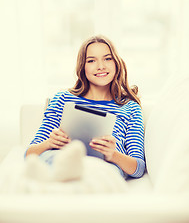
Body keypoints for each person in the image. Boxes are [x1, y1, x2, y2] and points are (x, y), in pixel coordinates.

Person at [25, 35, 145, 182]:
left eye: (107, 58)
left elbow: (138, 168)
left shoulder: (130, 107)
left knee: (103, 171)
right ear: (83, 66)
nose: (101, 66)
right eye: (91, 61)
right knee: (50, 157)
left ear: (116, 63)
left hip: (104, 166)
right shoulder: (62, 99)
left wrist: (112, 154)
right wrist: (49, 143)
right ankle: (68, 172)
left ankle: (72, 179)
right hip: (60, 159)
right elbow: (29, 154)